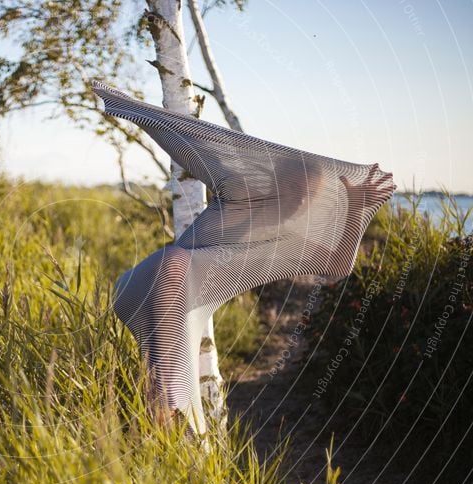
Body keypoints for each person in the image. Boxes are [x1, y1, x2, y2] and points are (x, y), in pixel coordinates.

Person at [92, 81, 396, 442]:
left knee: (176, 391)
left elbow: (337, 266)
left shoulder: (293, 242)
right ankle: (161, 415)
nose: (299, 200)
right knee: (166, 374)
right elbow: (189, 140)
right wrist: (129, 107)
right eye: (294, 188)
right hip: (159, 277)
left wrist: (358, 205)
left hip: (185, 304)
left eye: (309, 195)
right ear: (277, 182)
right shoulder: (240, 194)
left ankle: (163, 448)